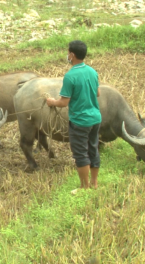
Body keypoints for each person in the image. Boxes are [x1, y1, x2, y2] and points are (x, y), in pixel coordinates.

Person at [46, 40, 101, 192]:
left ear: (72, 55)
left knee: (81, 154)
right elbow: (98, 93)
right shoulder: (92, 71)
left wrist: (52, 102)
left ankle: (84, 187)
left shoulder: (70, 76)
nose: (67, 55)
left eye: (68, 53)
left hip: (80, 121)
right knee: (93, 149)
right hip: (95, 118)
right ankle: (94, 184)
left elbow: (64, 102)